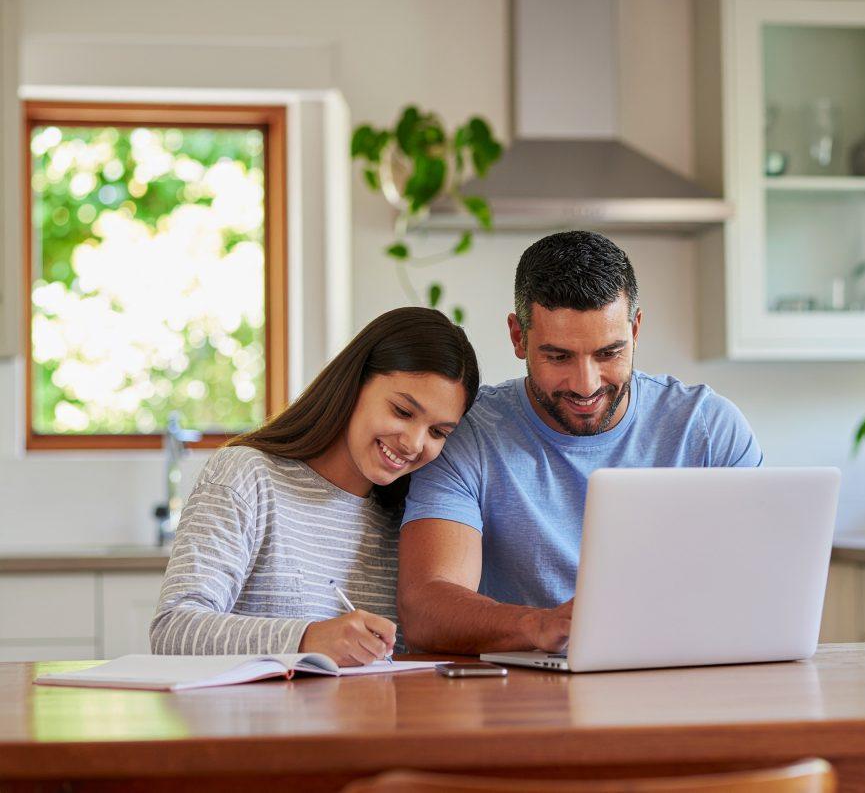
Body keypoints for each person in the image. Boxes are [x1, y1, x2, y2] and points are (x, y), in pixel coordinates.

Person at [398, 231, 763, 654]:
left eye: (609, 354)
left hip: (682, 677)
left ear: (636, 329)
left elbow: (759, 587)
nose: (585, 385)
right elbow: (426, 607)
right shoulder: (470, 434)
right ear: (518, 337)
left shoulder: (708, 430)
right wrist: (538, 625)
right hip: (520, 697)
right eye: (558, 357)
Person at [150, 307, 480, 665]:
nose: (415, 444)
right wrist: (307, 638)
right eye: (402, 411)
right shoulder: (248, 476)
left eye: (438, 432)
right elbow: (173, 629)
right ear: (355, 383)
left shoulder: (414, 520)